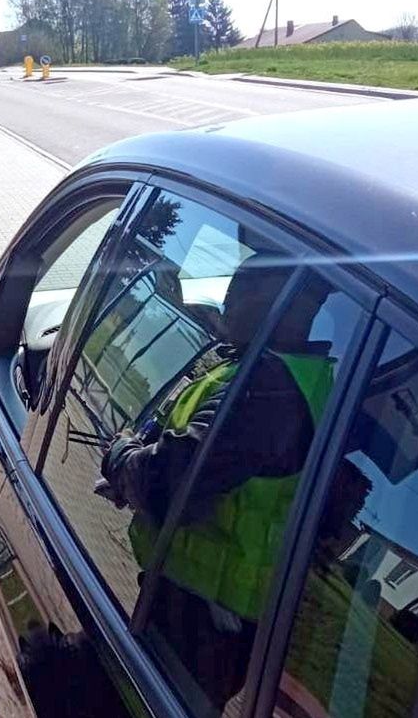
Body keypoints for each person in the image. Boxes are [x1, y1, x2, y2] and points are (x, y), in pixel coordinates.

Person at [98, 263, 336, 710]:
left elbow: (171, 481)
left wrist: (120, 458)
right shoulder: (295, 377)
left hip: (201, 625)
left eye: (241, 292)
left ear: (284, 308)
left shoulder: (267, 392)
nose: (226, 300)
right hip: (213, 614)